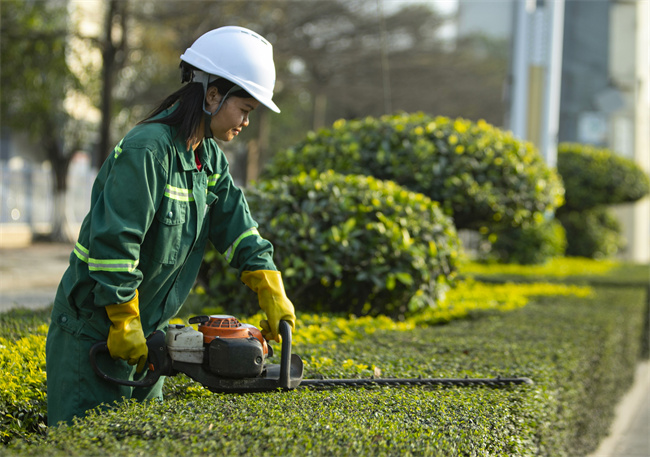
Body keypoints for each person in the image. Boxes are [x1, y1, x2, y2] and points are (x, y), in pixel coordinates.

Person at [45, 26, 296, 426]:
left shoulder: (207, 157)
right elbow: (115, 245)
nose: (246, 122)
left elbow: (236, 224)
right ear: (213, 95)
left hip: (144, 338)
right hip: (93, 334)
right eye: (245, 109)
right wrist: (124, 320)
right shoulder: (148, 151)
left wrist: (268, 283)